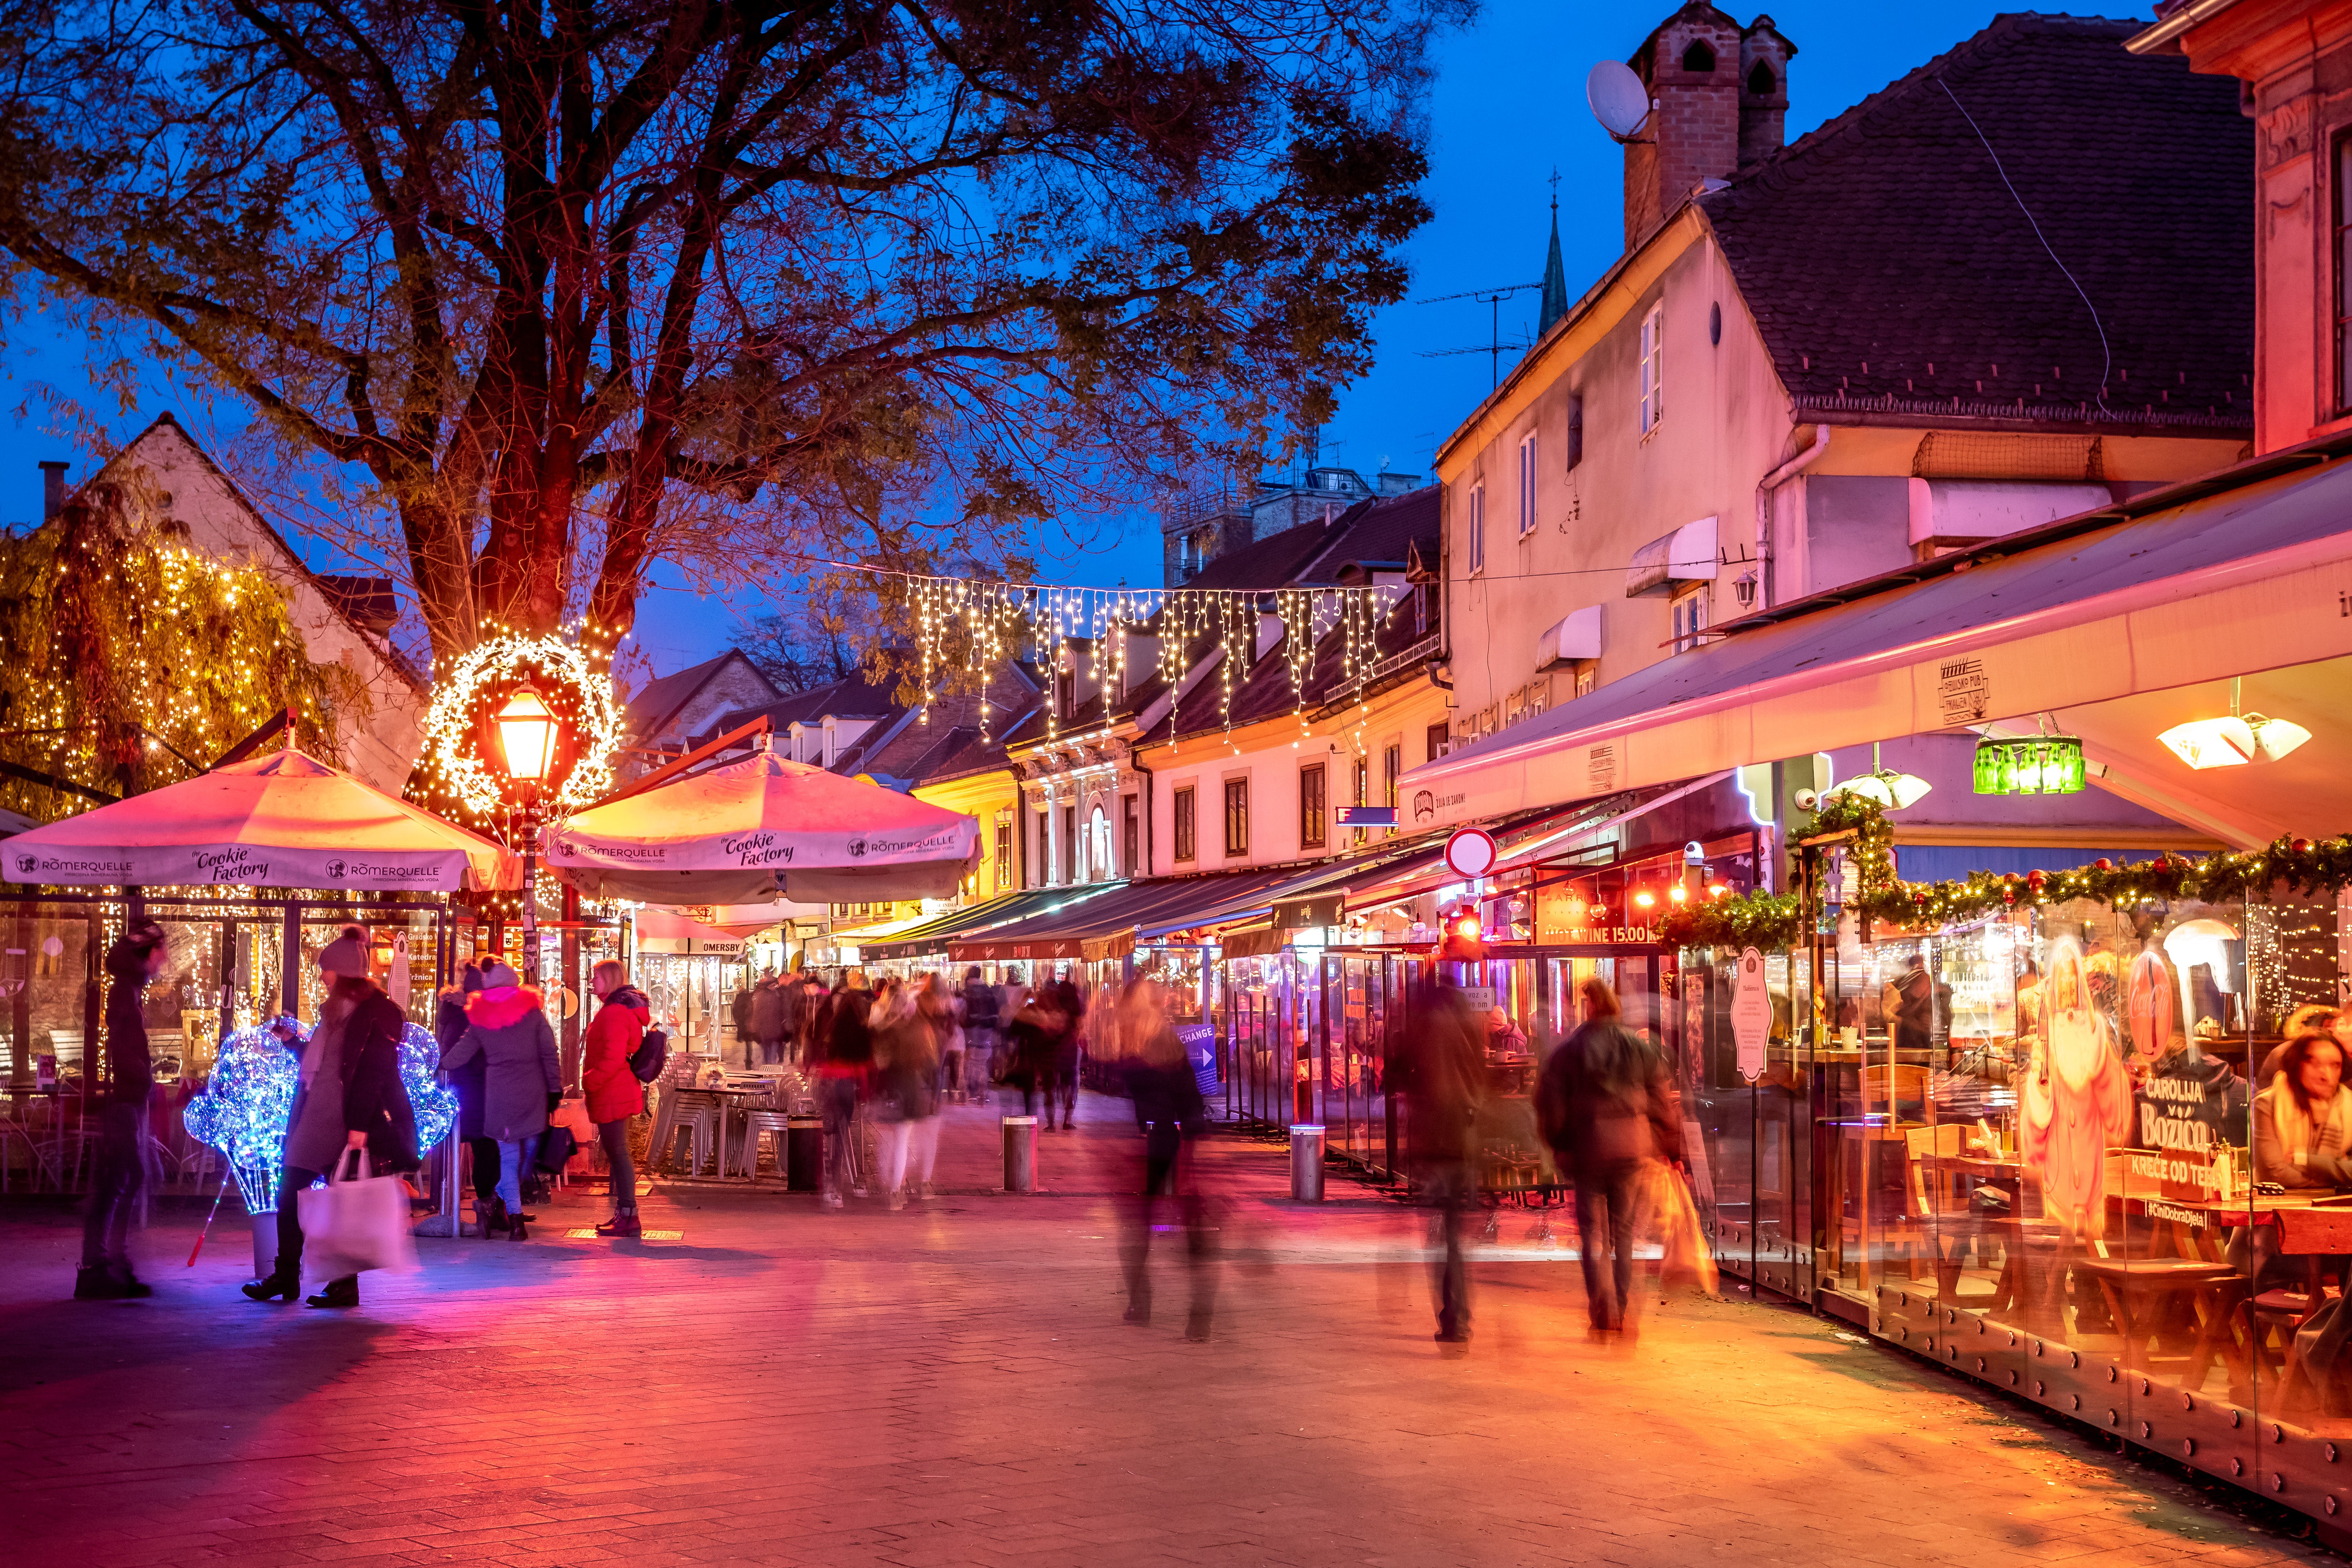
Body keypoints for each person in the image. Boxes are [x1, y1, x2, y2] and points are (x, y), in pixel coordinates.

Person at [243, 927, 416, 1308]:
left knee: (323, 1197)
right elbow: (322, 1064)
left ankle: (316, 1279)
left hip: (340, 1120)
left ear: (342, 970)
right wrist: (291, 1042)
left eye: (326, 969)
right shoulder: (336, 1011)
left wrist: (358, 1127)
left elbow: (373, 1071)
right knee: (309, 1195)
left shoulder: (376, 1013)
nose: (322, 976)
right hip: (318, 1116)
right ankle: (307, 1277)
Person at [1538, 977, 1683, 1336]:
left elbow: (1551, 1103)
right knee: (1623, 1234)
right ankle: (1620, 1303)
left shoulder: (1570, 1050)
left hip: (1588, 1151)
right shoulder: (1637, 1048)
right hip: (1631, 1151)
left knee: (1592, 1234)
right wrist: (1668, 1145)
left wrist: (1559, 1144)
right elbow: (1660, 1098)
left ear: (1589, 1006)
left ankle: (1601, 1303)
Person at [76, 917, 168, 1301]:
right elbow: (125, 1048)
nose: (165, 958)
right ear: (147, 954)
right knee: (123, 1177)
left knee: (121, 1179)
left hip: (126, 1100)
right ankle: (103, 1265)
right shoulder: (124, 993)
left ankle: (107, 1264)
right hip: (123, 1102)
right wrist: (142, 1082)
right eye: (161, 950)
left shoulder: (127, 990)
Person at [1118, 979, 1214, 1339]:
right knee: (1145, 1227)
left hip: (1167, 1138)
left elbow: (1188, 1100)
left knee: (1157, 1227)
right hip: (1158, 1139)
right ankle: (1154, 1305)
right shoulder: (1143, 1043)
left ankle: (1189, 1311)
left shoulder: (1159, 1043)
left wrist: (1190, 1158)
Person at [438, 961, 561, 1239]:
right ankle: (499, 1201)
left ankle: (515, 1220)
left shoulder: (481, 1016)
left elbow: (462, 1053)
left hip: (499, 1094)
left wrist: (439, 1065)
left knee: (508, 1157)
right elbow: (549, 1052)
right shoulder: (532, 1013)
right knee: (528, 1152)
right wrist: (554, 1088)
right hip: (532, 1091)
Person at [1396, 980, 1487, 1344]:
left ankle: (1453, 1317)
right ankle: (1460, 1314)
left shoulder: (1423, 1027)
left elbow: (1401, 1072)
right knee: (1454, 1234)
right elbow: (1478, 1080)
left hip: (1435, 1140)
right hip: (1462, 1139)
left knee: (1442, 1235)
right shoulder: (1467, 1028)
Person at [581, 959, 651, 1237]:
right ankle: (626, 1213)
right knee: (617, 1152)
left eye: (596, 976)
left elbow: (612, 1057)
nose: (592, 980)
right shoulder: (616, 1009)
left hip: (613, 1090)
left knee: (618, 1154)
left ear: (609, 979)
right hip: (617, 1089)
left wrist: (589, 1080)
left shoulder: (614, 1013)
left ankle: (629, 1215)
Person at [436, 964, 500, 1232]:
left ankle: (493, 1205)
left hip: (460, 1090)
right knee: (488, 1147)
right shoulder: (473, 1016)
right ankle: (490, 1207)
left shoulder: (454, 1013)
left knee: (484, 1147)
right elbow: (468, 1053)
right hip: (476, 1091)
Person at [869, 978, 941, 1208]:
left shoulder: (884, 1031)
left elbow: (879, 1062)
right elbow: (931, 1064)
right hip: (909, 1090)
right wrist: (933, 1090)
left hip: (889, 1090)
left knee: (890, 1141)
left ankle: (889, 1183)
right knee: (902, 1140)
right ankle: (895, 1190)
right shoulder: (920, 1029)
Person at [2257, 1030, 2352, 1191]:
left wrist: (2305, 1159)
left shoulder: (2349, 1106)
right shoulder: (2266, 1105)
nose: (2326, 1075)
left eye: (2335, 1065)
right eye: (2315, 1064)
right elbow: (2277, 1176)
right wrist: (2340, 1176)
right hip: (2280, 1209)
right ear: (2296, 1064)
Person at [816, 969, 875, 1208]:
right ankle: (844, 1184)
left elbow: (824, 1047)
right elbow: (867, 1058)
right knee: (845, 1132)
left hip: (831, 1080)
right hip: (848, 1082)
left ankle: (834, 1184)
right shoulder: (862, 1026)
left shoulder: (835, 1023)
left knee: (836, 1131)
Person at [1003, 990, 1059, 1119]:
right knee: (1042, 1088)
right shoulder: (1042, 1017)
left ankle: (1029, 1112)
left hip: (1027, 1055)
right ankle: (1043, 1118)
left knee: (1029, 1087)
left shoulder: (1023, 1016)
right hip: (1039, 1056)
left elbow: (1012, 1031)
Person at [1050, 975, 1086, 1129]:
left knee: (1059, 1079)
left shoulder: (1055, 1006)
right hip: (1072, 1047)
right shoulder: (1076, 1008)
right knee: (1073, 1080)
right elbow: (1080, 1029)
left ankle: (1052, 1119)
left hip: (1056, 1047)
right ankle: (1068, 1119)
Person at [962, 966, 1001, 1100]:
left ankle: (972, 1091)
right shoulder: (988, 990)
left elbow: (963, 1010)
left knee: (971, 1060)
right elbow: (996, 1010)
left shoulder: (967, 991)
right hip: (987, 1028)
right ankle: (983, 1092)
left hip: (971, 1028)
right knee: (983, 1061)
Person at [750, 971, 790, 1066]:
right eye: (774, 985)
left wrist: (756, 1026)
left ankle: (767, 1070)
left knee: (767, 1052)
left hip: (767, 1029)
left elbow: (756, 1013)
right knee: (771, 1053)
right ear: (770, 986)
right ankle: (770, 1071)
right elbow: (783, 1011)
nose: (775, 987)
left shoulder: (761, 996)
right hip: (773, 1029)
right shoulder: (776, 996)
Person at [730, 979, 757, 1070]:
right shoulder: (750, 998)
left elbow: (735, 1011)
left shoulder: (739, 998)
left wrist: (737, 1021)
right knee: (749, 1044)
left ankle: (748, 1060)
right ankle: (749, 1060)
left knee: (746, 1043)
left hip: (742, 1024)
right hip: (749, 1024)